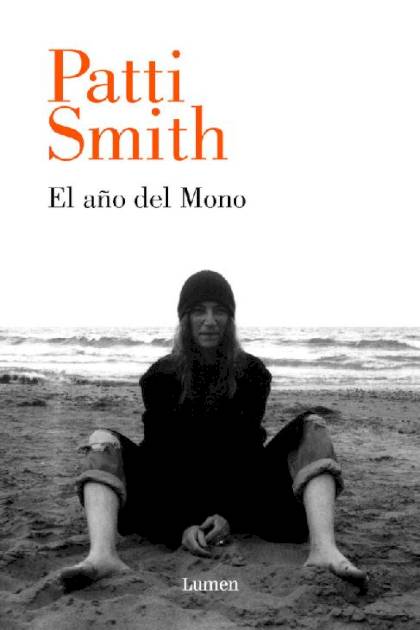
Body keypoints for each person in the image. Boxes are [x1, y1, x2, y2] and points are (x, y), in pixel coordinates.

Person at [60, 270, 366, 591]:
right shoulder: (159, 376)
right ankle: (102, 556)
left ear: (230, 319)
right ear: (184, 319)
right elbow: (160, 458)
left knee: (312, 425)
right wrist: (181, 525)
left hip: (242, 493)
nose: (209, 321)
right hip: (171, 493)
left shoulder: (252, 373)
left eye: (219, 311)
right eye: (198, 311)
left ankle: (324, 550)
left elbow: (246, 455)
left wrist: (228, 516)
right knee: (101, 441)